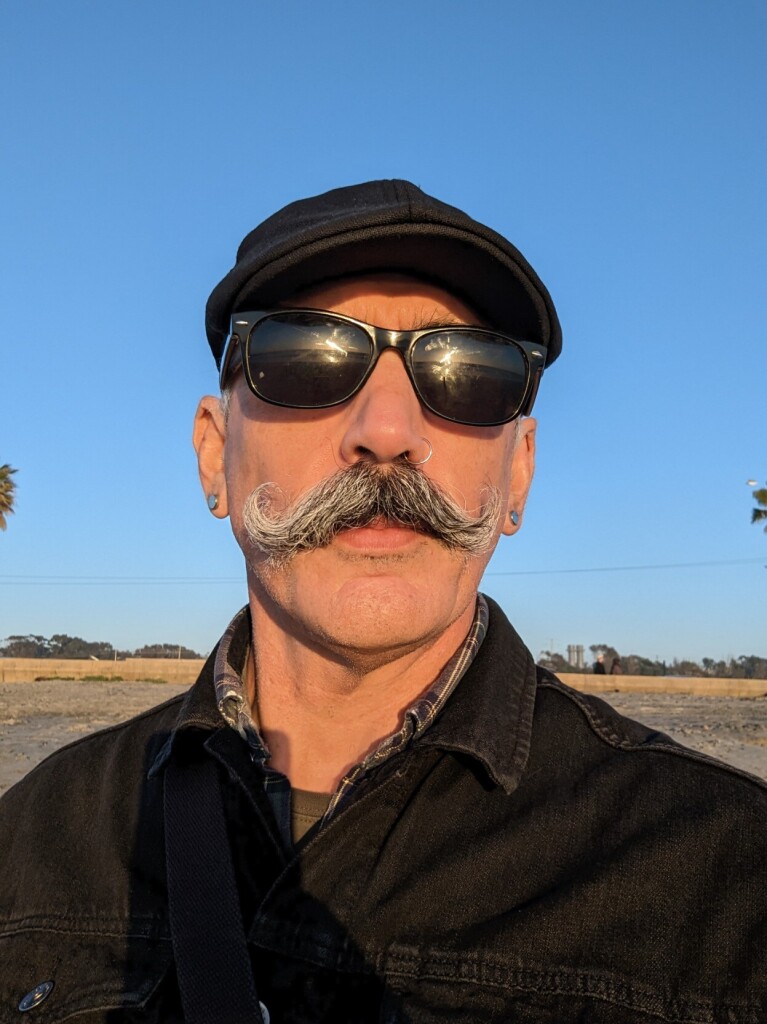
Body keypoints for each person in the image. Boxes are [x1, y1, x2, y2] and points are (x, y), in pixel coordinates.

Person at [1, 180, 765, 1022]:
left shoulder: (727, 877)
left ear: (519, 473)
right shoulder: (36, 836)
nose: (388, 429)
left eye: (469, 373)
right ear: (214, 456)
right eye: (305, 358)